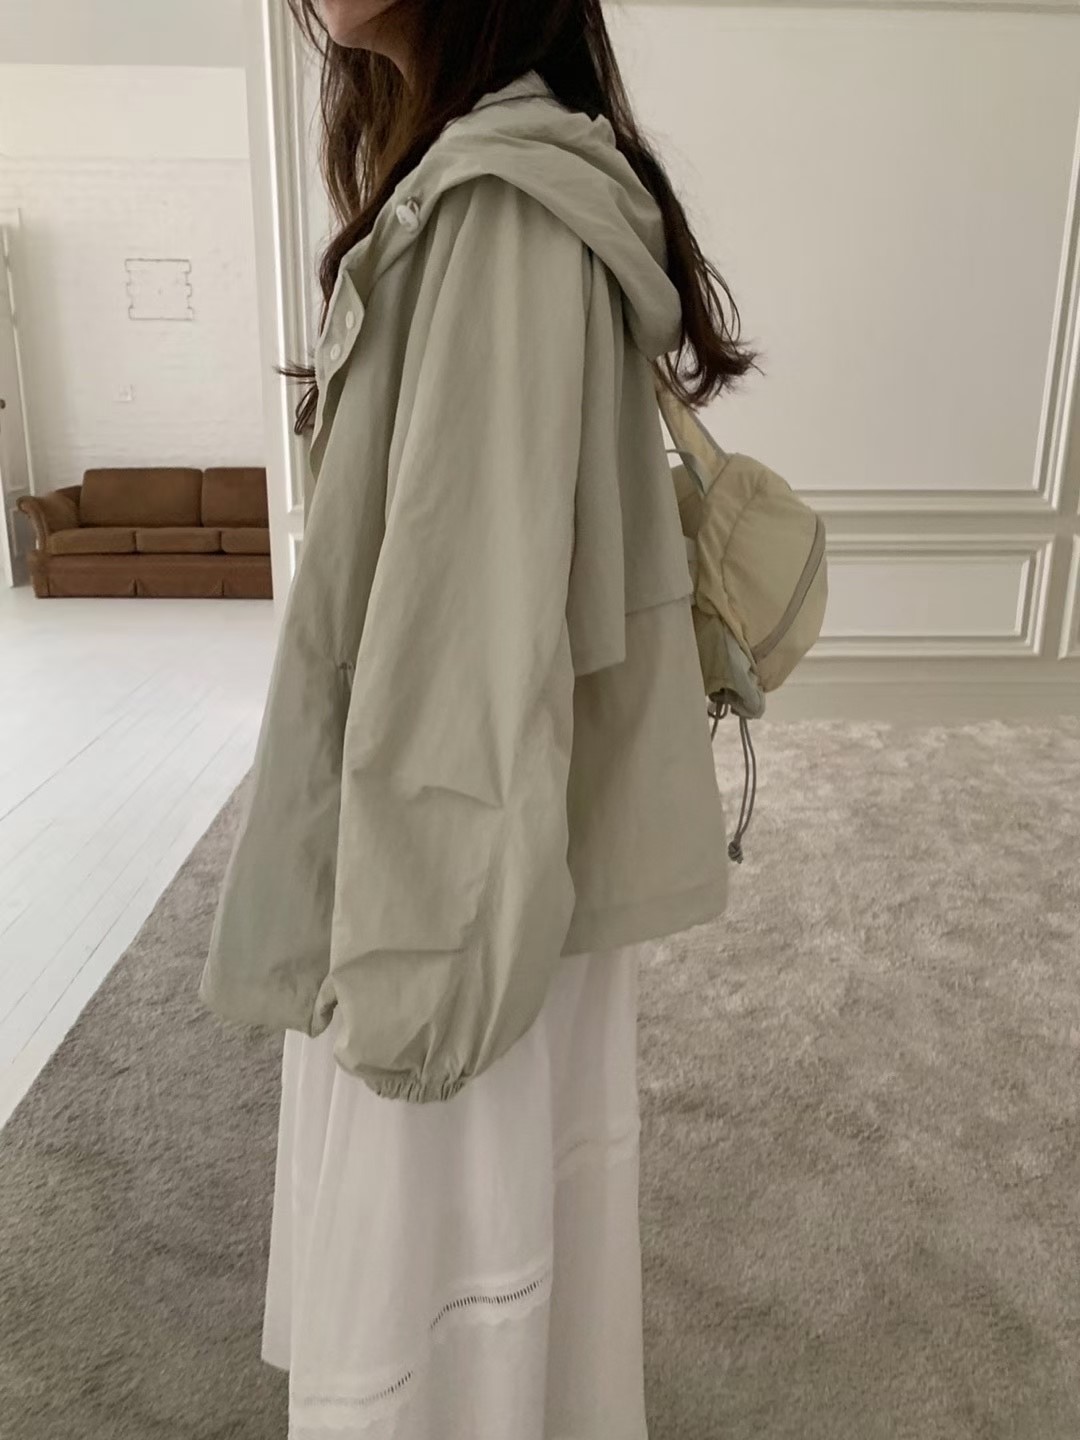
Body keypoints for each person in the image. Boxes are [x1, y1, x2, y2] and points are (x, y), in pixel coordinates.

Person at [199, 1, 758, 1435]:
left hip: (457, 878)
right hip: (475, 844)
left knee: (436, 1264)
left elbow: (471, 642)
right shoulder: (479, 174)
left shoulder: (499, 208)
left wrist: (412, 970)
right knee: (482, 1246)